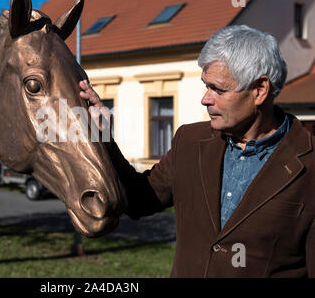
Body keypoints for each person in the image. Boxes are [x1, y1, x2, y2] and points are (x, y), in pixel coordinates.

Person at [78, 25, 315, 278]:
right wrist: (102, 137)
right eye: (206, 86)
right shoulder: (189, 141)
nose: (205, 99)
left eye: (218, 89)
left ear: (259, 90)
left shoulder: (309, 163)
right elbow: (138, 199)